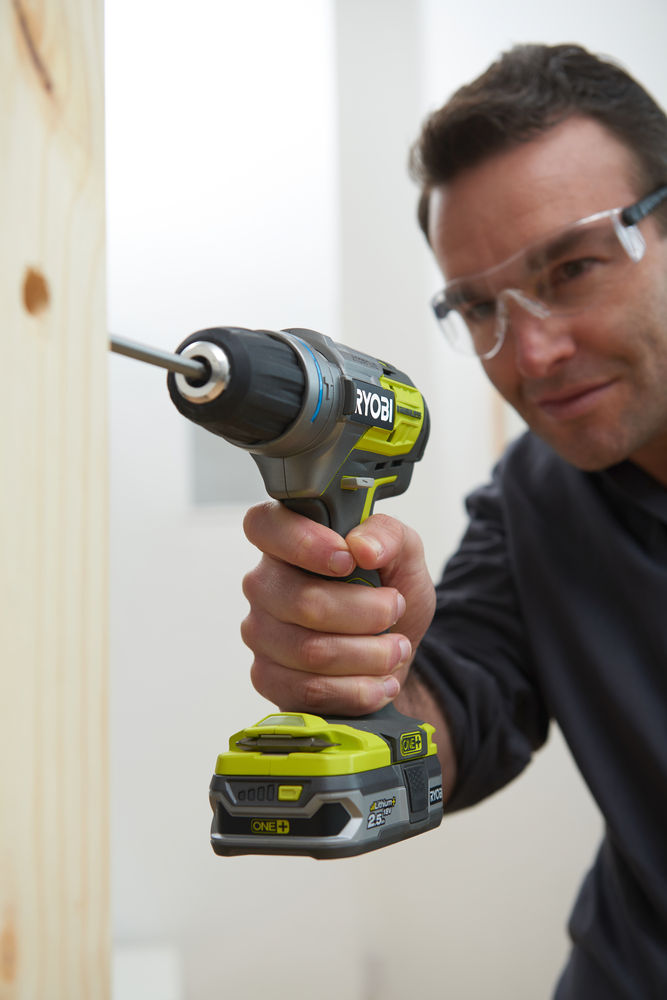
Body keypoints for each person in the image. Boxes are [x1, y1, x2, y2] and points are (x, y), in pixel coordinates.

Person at [239, 44, 667, 998]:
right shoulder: (535, 498)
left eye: (574, 267)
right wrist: (364, 667)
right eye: (477, 308)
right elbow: (452, 721)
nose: (531, 352)